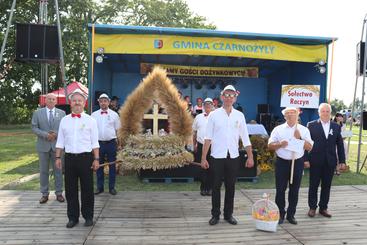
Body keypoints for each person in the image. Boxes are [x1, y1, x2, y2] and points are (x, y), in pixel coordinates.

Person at [201, 85, 254, 226]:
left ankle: (228, 214)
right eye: (227, 95)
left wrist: (250, 156)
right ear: (222, 97)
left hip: (233, 157)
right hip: (217, 157)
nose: (229, 98)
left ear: (235, 98)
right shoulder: (213, 115)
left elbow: (245, 138)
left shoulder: (239, 115)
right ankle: (215, 215)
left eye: (232, 95)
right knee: (216, 186)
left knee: (231, 187)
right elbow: (208, 138)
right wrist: (203, 158)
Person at [55, 89, 100, 228]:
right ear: (70, 103)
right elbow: (60, 141)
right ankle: (73, 218)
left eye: (80, 101)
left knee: (87, 189)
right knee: (70, 189)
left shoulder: (91, 120)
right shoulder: (64, 120)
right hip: (69, 159)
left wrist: (96, 159)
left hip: (86, 158)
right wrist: (57, 157)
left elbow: (95, 142)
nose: (77, 103)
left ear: (84, 103)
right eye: (74, 100)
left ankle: (88, 216)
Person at [268, 107, 313, 225]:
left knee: (294, 190)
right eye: (288, 113)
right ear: (284, 116)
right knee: (280, 189)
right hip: (282, 162)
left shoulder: (303, 130)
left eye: (293, 113)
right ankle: (280, 214)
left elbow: (309, 147)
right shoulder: (278, 129)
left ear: (298, 115)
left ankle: (291, 215)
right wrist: (280, 144)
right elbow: (270, 146)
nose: (291, 115)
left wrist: (300, 138)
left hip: (297, 162)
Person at [305, 103, 345, 219]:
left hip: (330, 161)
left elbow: (340, 145)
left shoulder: (336, 126)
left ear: (330, 113)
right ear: (319, 113)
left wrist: (342, 161)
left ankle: (323, 208)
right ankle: (312, 207)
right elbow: (305, 144)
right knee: (313, 185)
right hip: (315, 160)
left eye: (327, 111)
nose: (325, 113)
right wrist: (306, 159)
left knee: (326, 186)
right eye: (323, 111)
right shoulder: (311, 125)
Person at [31, 93, 66, 204]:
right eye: (49, 99)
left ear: (56, 101)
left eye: (53, 99)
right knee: (43, 171)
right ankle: (44, 194)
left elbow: (65, 128)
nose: (51, 101)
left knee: (58, 171)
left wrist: (55, 134)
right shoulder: (37, 113)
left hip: (58, 147)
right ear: (45, 101)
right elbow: (34, 127)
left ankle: (59, 193)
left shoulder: (62, 113)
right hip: (43, 146)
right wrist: (46, 135)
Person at [92, 93, 121, 195]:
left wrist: (119, 144)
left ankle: (111, 188)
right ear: (99, 102)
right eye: (101, 101)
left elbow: (118, 130)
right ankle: (100, 188)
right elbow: (91, 131)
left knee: (112, 165)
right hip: (98, 144)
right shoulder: (93, 115)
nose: (103, 103)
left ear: (108, 102)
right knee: (98, 166)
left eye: (105, 101)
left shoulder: (114, 115)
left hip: (111, 143)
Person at [192, 98, 214, 196]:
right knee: (202, 167)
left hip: (213, 146)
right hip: (201, 145)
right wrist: (194, 145)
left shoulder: (216, 117)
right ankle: (203, 188)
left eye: (209, 105)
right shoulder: (198, 117)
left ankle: (210, 188)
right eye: (206, 105)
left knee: (212, 167)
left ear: (212, 106)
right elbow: (194, 132)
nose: (207, 106)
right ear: (203, 106)